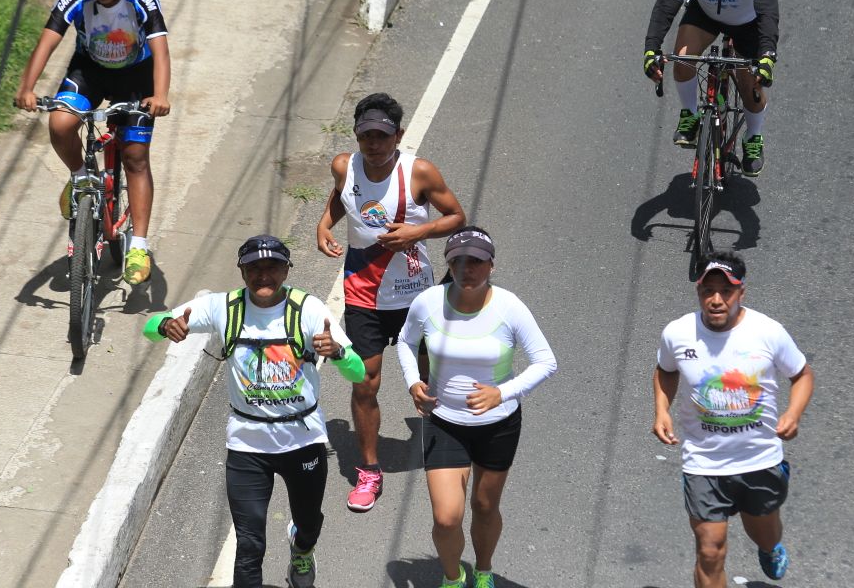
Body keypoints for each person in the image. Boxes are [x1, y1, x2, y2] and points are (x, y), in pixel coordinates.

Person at [142, 235, 365, 588]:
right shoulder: (224, 307)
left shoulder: (308, 309)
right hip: (247, 445)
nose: (264, 276)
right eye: (254, 268)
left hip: (302, 440)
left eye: (272, 267)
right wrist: (165, 326)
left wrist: (338, 353)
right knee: (249, 545)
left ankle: (302, 551)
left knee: (309, 524)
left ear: (287, 270)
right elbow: (150, 327)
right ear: (242, 272)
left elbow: (359, 372)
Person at [316, 92, 465, 512]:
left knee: (427, 373)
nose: (374, 145)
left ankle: (442, 439)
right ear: (357, 136)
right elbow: (340, 197)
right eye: (367, 137)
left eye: (382, 136)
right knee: (365, 382)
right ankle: (369, 471)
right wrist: (324, 224)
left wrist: (417, 233)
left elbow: (457, 216)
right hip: (362, 294)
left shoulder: (418, 173)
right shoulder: (344, 165)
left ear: (398, 135)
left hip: (415, 296)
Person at [397, 227, 557, 588]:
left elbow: (546, 361)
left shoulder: (509, 307)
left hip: (498, 424)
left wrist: (502, 393)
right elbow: (405, 343)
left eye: (477, 262)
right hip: (444, 421)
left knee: (485, 507)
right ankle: (453, 578)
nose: (467, 269)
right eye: (459, 261)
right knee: (446, 518)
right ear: (449, 265)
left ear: (491, 266)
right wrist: (413, 383)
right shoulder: (428, 303)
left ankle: (483, 570)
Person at [15, 0, 171, 285]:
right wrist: (27, 87)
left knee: (135, 157)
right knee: (59, 125)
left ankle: (139, 247)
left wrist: (160, 94)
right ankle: (81, 176)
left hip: (136, 78)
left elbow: (161, 50)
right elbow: (48, 40)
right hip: (89, 72)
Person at [652, 251, 814, 588]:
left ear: (741, 293)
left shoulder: (768, 332)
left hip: (759, 458)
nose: (715, 299)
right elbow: (665, 371)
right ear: (698, 291)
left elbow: (801, 375)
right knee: (710, 552)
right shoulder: (678, 333)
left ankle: (769, 548)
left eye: (725, 291)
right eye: (707, 290)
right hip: (704, 463)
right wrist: (661, 410)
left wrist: (793, 414)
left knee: (765, 534)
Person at [642, 0, 779, 177]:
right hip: (705, 14)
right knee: (682, 59)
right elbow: (664, 10)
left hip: (746, 22)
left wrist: (767, 57)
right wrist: (651, 51)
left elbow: (768, 15)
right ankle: (691, 114)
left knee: (751, 84)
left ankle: (753, 137)